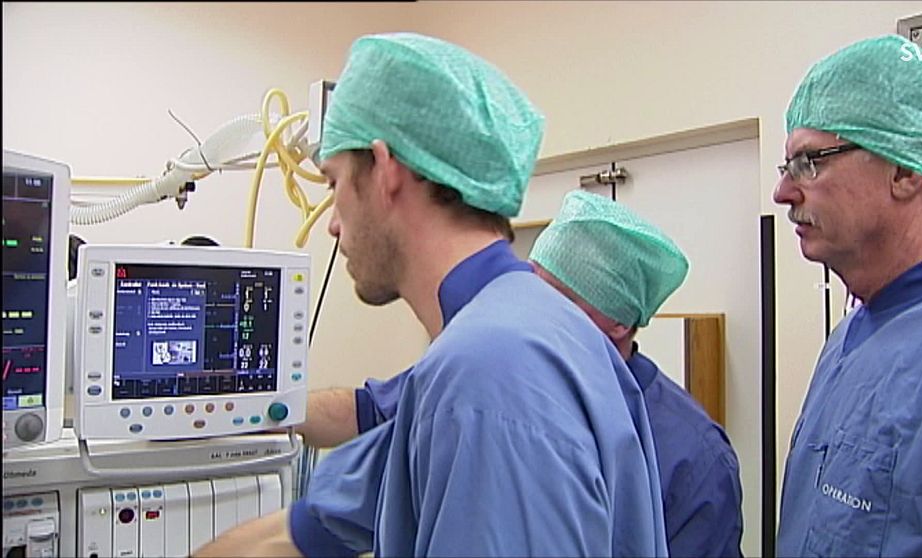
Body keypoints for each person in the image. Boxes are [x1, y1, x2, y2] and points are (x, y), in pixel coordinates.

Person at [195, 32, 667, 557]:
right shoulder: (525, 332)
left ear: (385, 171)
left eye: (333, 184)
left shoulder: (487, 371)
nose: (331, 224)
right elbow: (305, 528)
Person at [301, 189, 744, 557]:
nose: (527, 304)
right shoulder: (486, 368)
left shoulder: (695, 459)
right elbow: (369, 413)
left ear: (618, 323)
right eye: (528, 284)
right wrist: (270, 407)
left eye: (556, 296)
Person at [774, 35, 922, 557]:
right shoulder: (849, 336)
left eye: (810, 162)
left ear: (905, 170)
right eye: (787, 168)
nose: (783, 193)